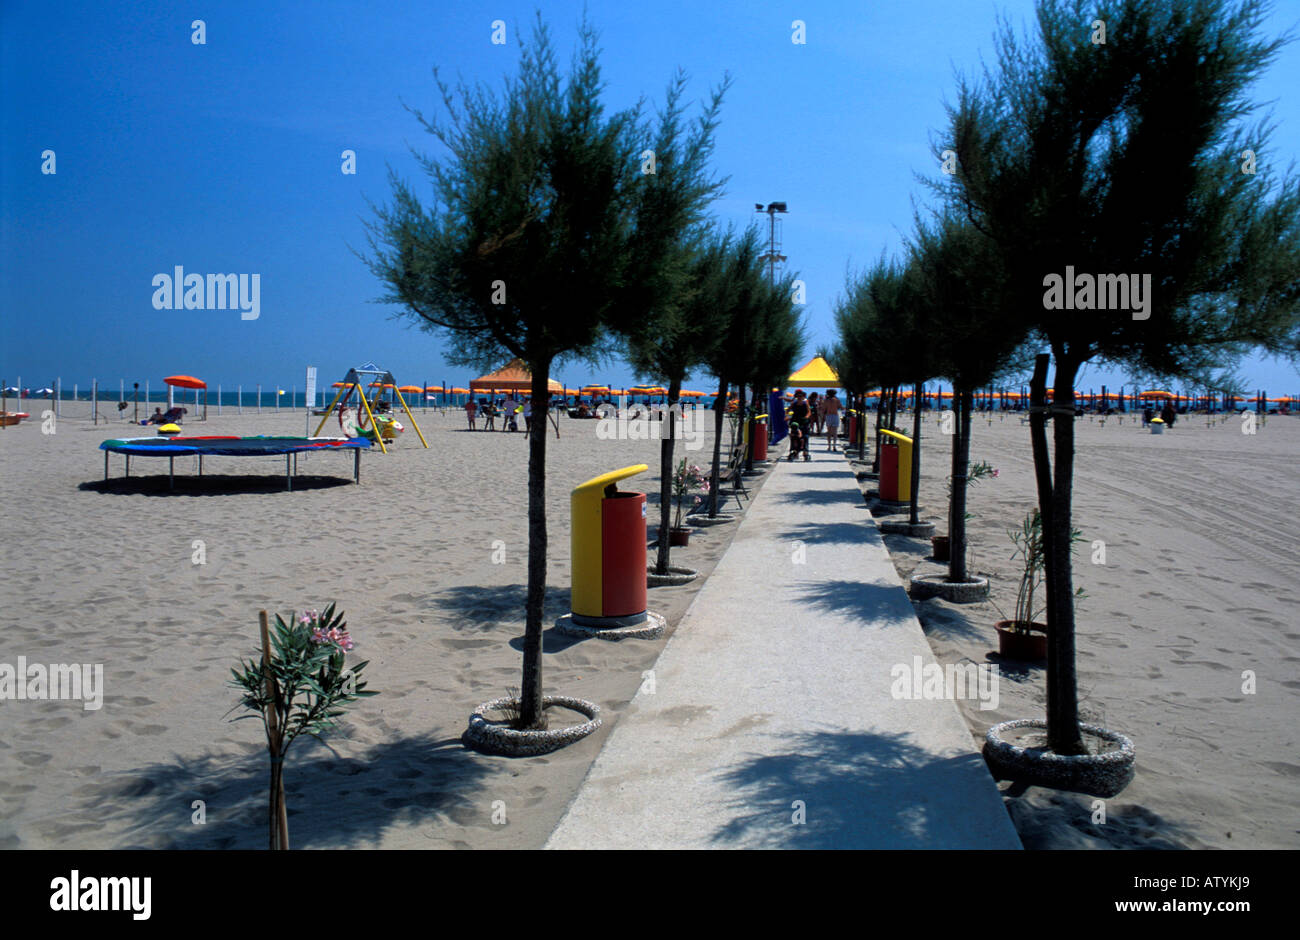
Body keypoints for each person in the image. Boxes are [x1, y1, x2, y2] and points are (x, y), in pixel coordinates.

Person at [788, 390, 811, 461]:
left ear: (803, 396)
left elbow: (809, 412)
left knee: (805, 437)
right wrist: (787, 415)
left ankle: (805, 452)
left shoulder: (805, 403)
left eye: (801, 396)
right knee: (794, 436)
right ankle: (794, 451)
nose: (799, 397)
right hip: (795, 421)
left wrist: (806, 417)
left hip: (803, 421)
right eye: (798, 396)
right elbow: (788, 410)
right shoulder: (794, 403)